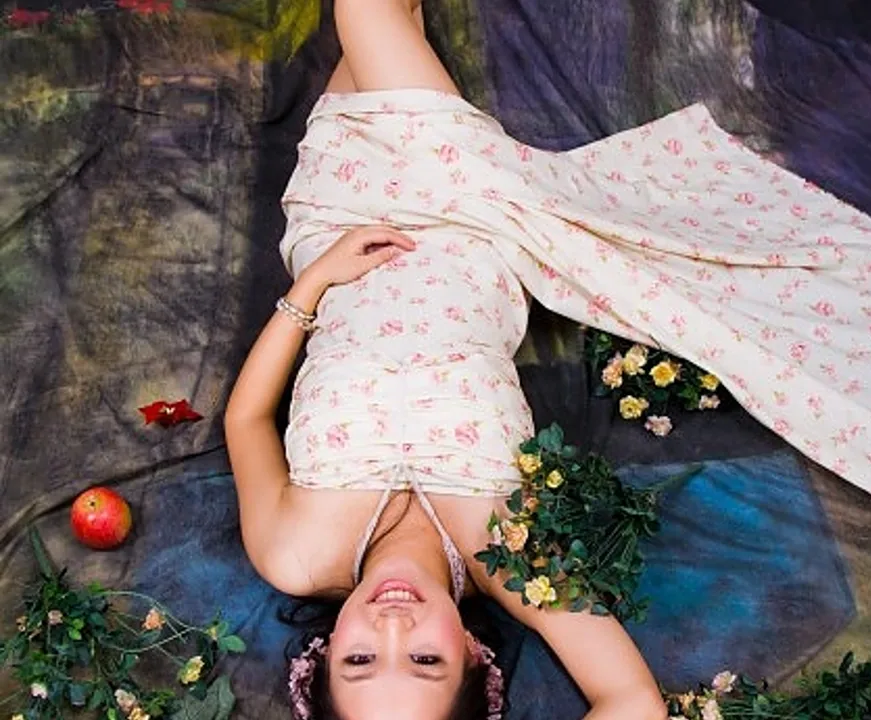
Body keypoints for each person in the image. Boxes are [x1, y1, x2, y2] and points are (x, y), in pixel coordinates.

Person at [225, 0, 669, 718]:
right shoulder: (515, 559)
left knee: (385, 18)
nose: (392, 627)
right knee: (367, 11)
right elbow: (633, 701)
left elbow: (246, 420)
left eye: (360, 661)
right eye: (425, 662)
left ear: (321, 657)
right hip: (472, 215)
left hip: (338, 214)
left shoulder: (295, 554)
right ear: (474, 655)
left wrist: (314, 282)